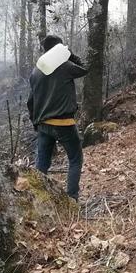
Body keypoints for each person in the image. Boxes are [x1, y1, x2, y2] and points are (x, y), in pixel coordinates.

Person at [27, 35, 88, 200]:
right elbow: (85, 67)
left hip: (43, 125)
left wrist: (36, 123)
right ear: (59, 50)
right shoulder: (65, 66)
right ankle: (72, 199)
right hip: (64, 123)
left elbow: (30, 102)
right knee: (75, 158)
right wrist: (70, 54)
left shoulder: (36, 71)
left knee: (41, 165)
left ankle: (38, 199)